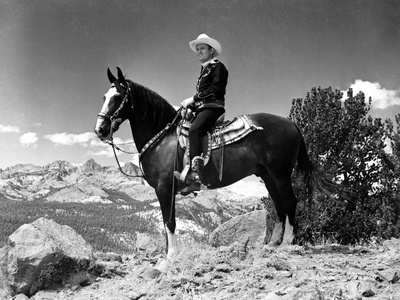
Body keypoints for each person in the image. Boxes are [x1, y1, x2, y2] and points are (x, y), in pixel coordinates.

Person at [180, 33, 229, 194]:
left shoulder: (218, 67)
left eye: (202, 48)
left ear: (211, 50)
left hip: (213, 107)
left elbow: (216, 89)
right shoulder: (204, 70)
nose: (199, 51)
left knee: (195, 130)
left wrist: (193, 99)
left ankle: (195, 176)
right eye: (198, 49)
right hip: (203, 108)